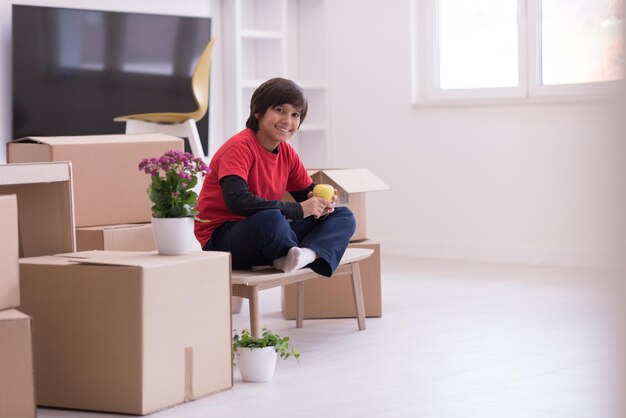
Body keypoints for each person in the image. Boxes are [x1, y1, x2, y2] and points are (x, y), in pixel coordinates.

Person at [195, 77, 356, 277]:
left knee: (343, 216)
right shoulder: (238, 148)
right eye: (280, 110)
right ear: (258, 111)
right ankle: (288, 254)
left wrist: (322, 205)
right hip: (222, 240)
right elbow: (237, 202)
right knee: (270, 218)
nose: (287, 121)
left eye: (295, 114)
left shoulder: (287, 153)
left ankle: (303, 255)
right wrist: (298, 210)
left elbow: (306, 195)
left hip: (269, 238)